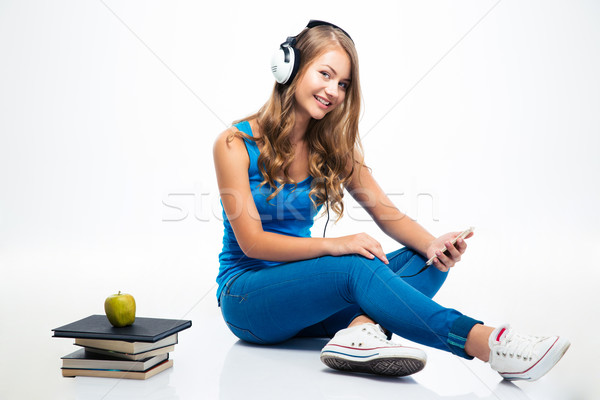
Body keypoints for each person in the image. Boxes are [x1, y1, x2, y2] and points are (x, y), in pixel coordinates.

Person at [212, 20, 569, 380]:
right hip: (247, 300)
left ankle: (359, 331)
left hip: (309, 303)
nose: (333, 90)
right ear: (290, 66)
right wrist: (336, 246)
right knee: (354, 262)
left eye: (343, 84)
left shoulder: (334, 149)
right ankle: (487, 342)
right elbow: (252, 243)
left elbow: (388, 214)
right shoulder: (233, 144)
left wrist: (433, 244)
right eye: (325, 74)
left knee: (425, 260)